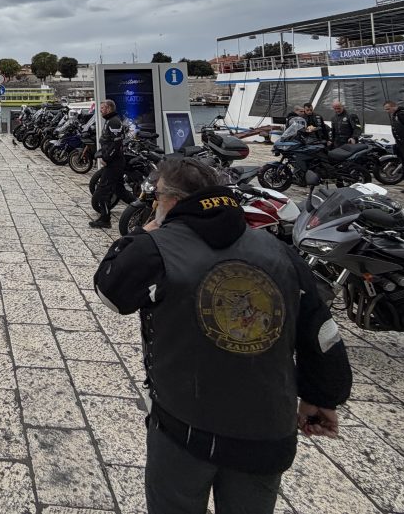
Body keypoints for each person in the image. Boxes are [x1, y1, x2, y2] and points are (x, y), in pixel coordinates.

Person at [94, 156, 352, 514]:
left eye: (156, 197)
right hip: (268, 428)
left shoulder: (157, 247)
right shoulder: (280, 252)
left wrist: (141, 234)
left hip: (185, 424)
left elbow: (110, 291)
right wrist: (323, 395)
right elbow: (321, 329)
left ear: (169, 199)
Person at [89, 100, 131, 228]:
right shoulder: (110, 120)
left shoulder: (113, 121)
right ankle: (140, 206)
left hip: (114, 163)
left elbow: (116, 143)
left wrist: (106, 158)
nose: (100, 110)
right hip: (115, 161)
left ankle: (105, 219)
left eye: (102, 108)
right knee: (119, 190)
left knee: (102, 192)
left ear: (109, 108)